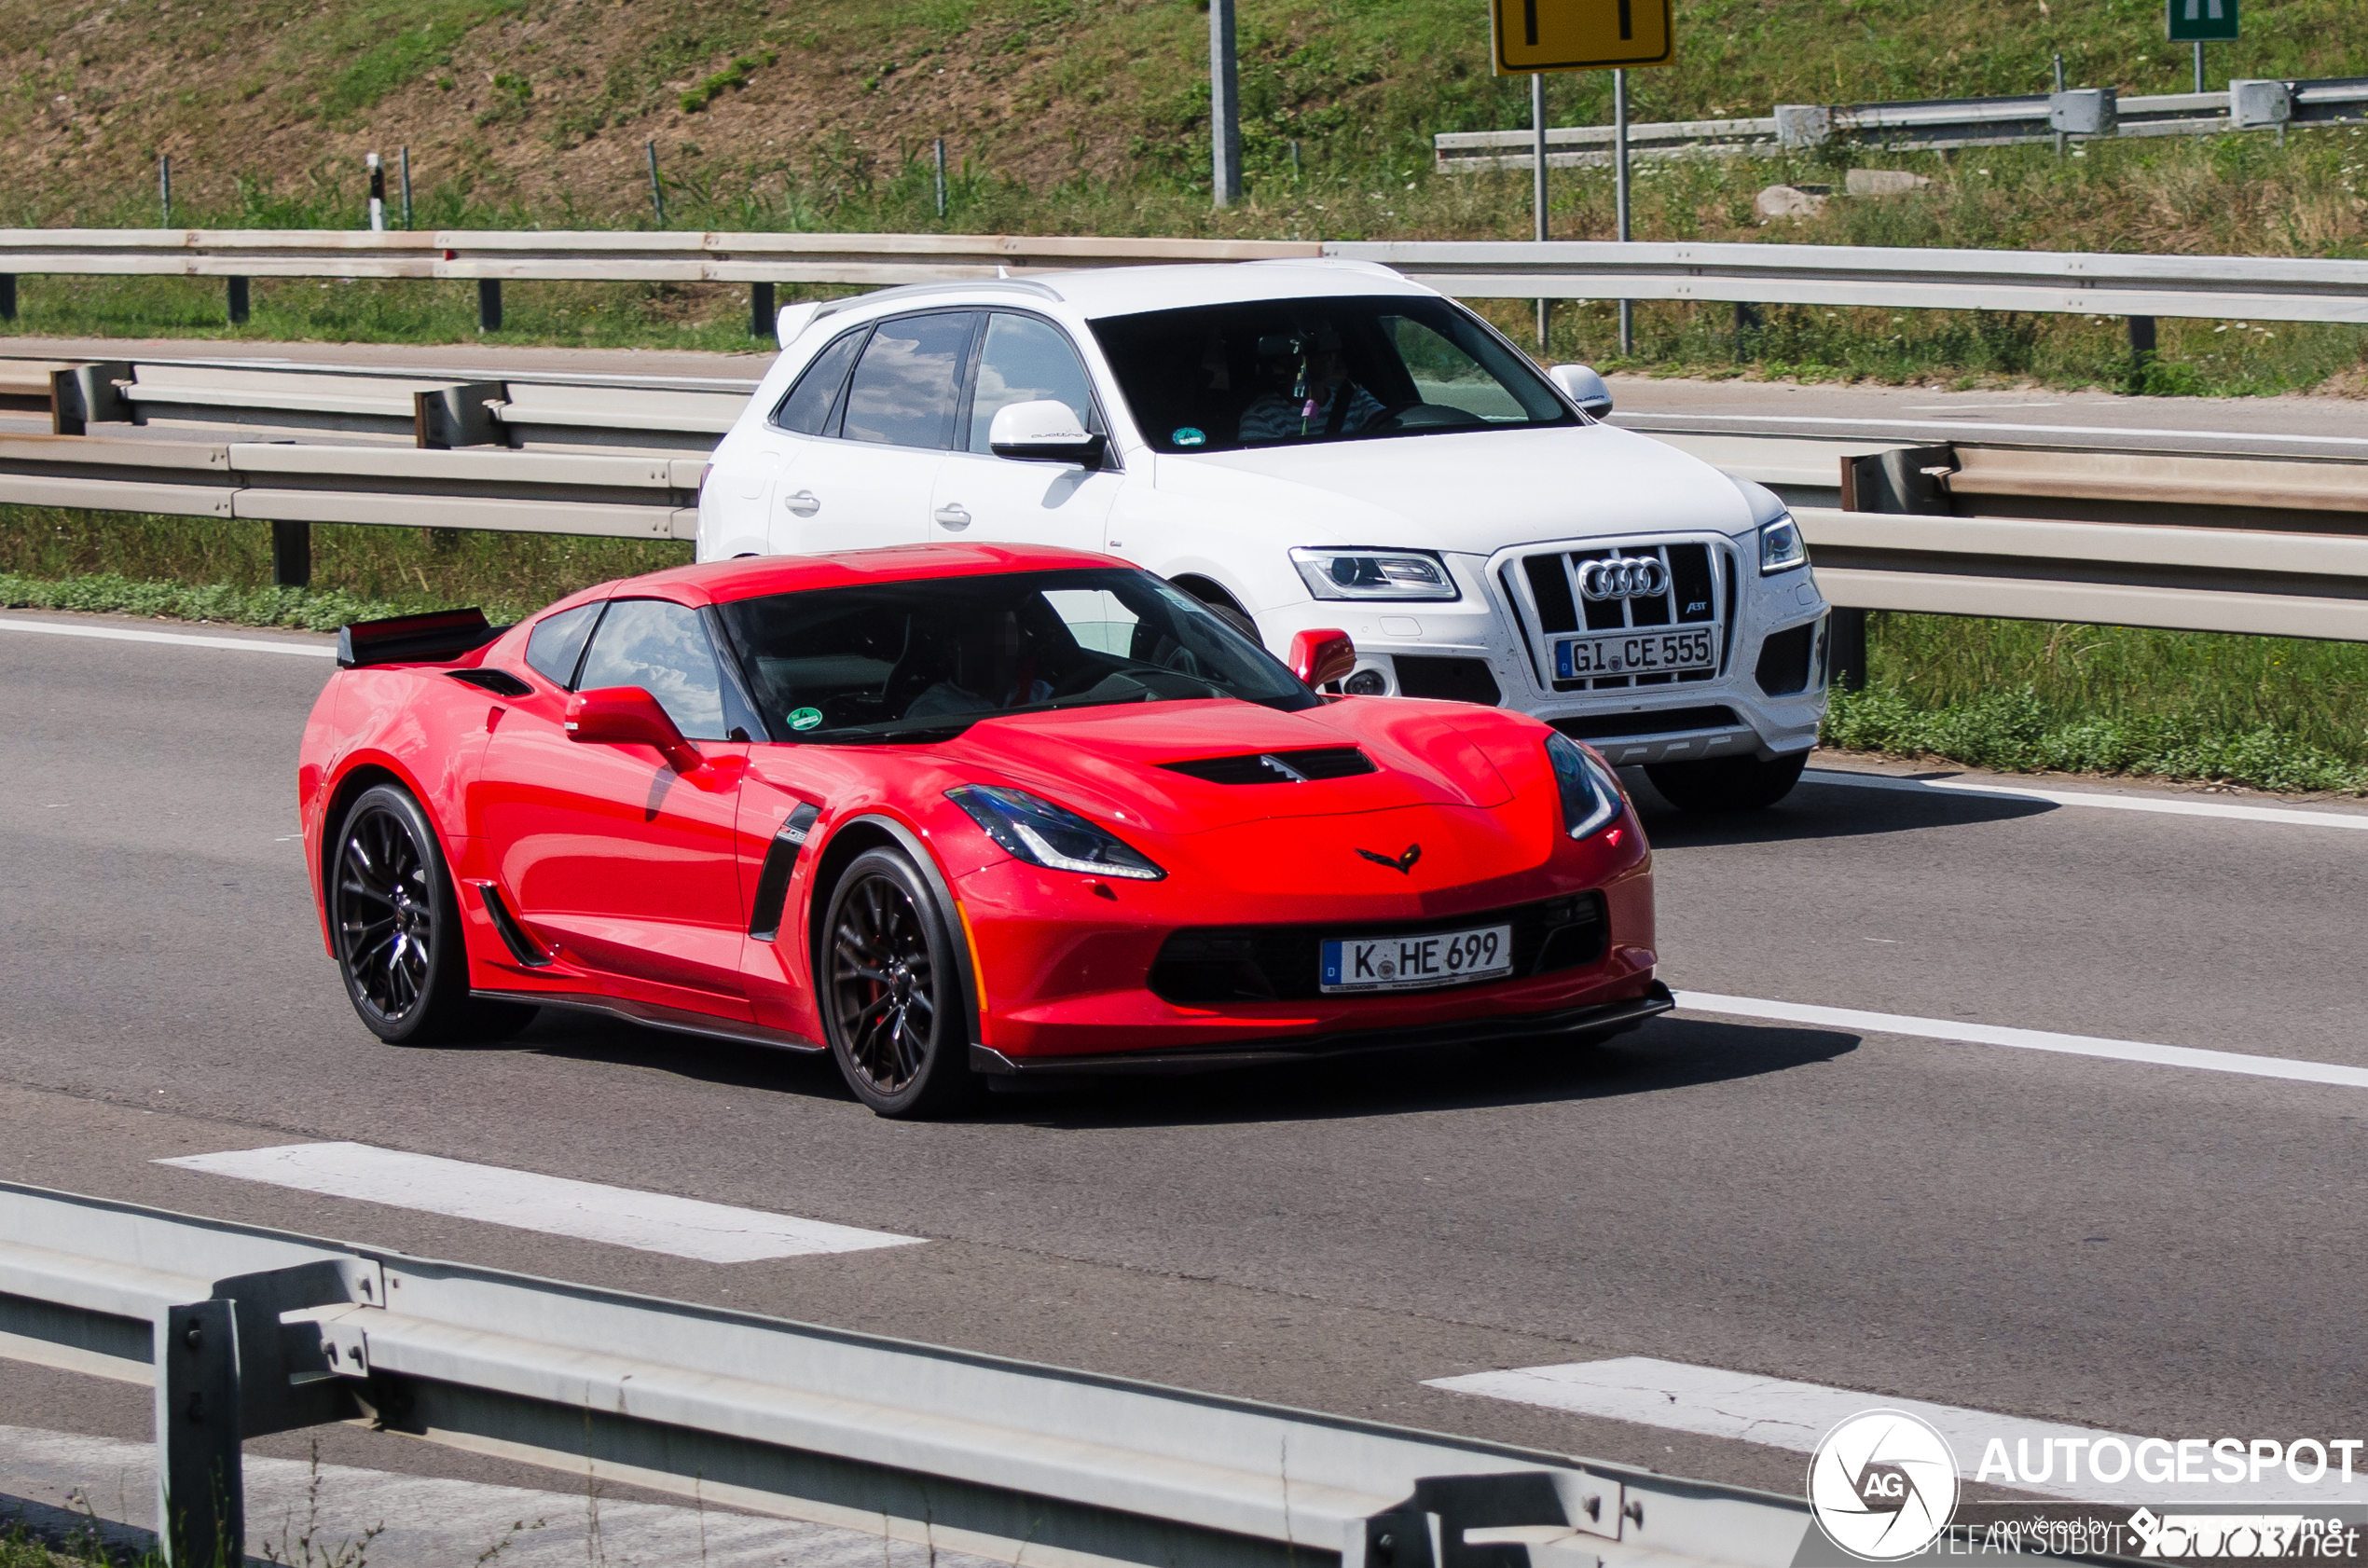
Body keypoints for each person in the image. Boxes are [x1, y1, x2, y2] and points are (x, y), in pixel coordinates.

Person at [1235, 327, 1385, 443]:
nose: (1323, 350)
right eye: (1311, 343)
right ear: (1284, 356)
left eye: (1329, 341)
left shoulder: (1355, 397)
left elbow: (1393, 429)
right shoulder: (1263, 417)